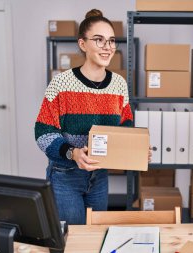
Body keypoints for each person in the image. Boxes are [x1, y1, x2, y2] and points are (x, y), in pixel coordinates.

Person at [35, 9, 147, 225]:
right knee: (73, 240)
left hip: (99, 176)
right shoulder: (61, 83)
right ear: (83, 44)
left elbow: (125, 125)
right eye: (99, 40)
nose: (107, 47)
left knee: (96, 237)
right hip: (65, 175)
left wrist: (136, 149)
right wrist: (73, 153)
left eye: (111, 41)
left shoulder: (119, 84)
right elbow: (43, 132)